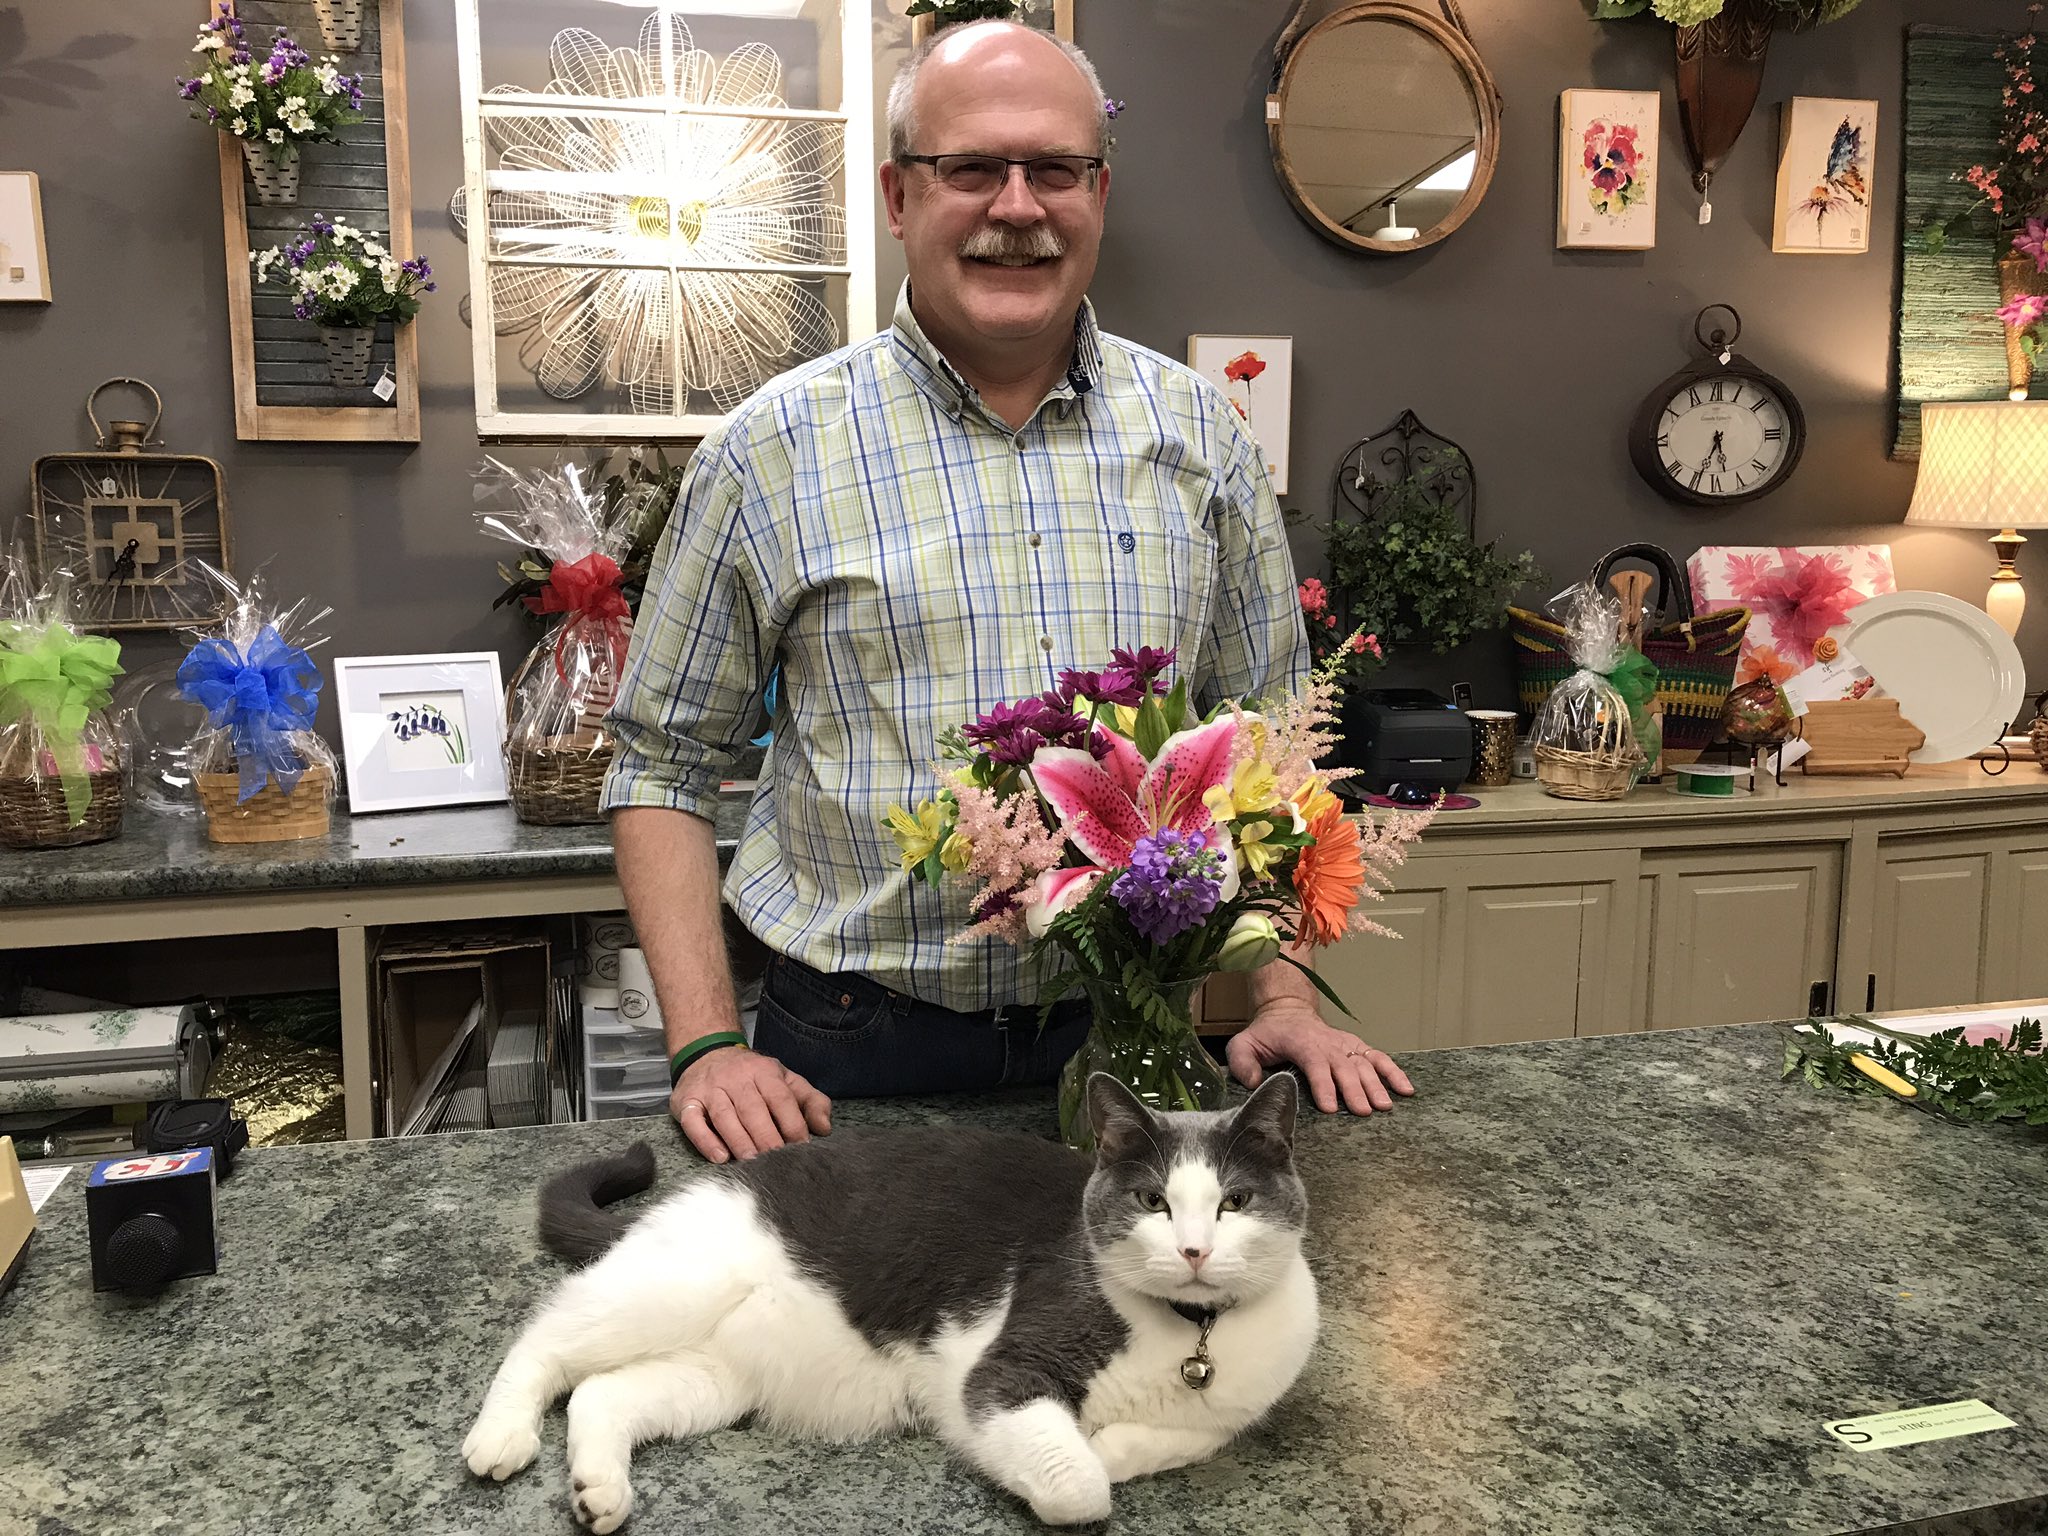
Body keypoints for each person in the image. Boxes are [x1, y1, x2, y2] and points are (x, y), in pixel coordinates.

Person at [602, 20, 1412, 1168]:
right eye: (972, 167)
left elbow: (1275, 753)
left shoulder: (1199, 438)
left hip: (1131, 1031)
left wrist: (1282, 998)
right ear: (898, 196)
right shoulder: (768, 451)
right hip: (848, 1051)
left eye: (1055, 170)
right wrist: (704, 1045)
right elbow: (659, 763)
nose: (1018, 206)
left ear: (1099, 193)